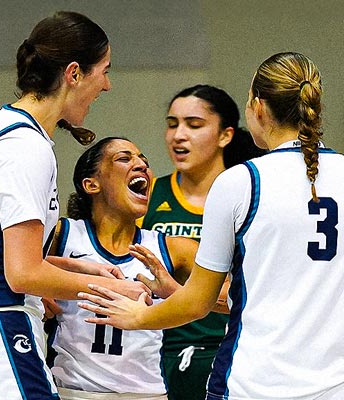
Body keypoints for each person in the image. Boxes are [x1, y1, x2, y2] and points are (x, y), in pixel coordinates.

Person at [78, 52, 344, 400]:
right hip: (341, 386)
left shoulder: (243, 181)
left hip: (253, 385)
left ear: (258, 107)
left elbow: (198, 302)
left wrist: (136, 317)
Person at [0, 11, 150, 400]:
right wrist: (108, 288)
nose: (108, 85)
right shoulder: (25, 146)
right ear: (74, 73)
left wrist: (69, 267)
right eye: (104, 70)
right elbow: (21, 274)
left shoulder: (0, 128)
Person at [47, 136, 221, 400]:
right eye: (124, 158)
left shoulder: (172, 248)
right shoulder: (63, 235)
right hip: (72, 391)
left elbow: (236, 299)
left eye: (144, 160)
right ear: (91, 184)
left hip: (146, 393)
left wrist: (175, 291)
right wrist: (37, 293)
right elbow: (8, 268)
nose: (141, 165)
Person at [139, 84, 264, 400]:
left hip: (230, 351)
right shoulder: (148, 195)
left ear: (225, 135)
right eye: (172, 124)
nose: (178, 135)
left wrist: (185, 294)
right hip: (158, 355)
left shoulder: (251, 196)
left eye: (193, 125)